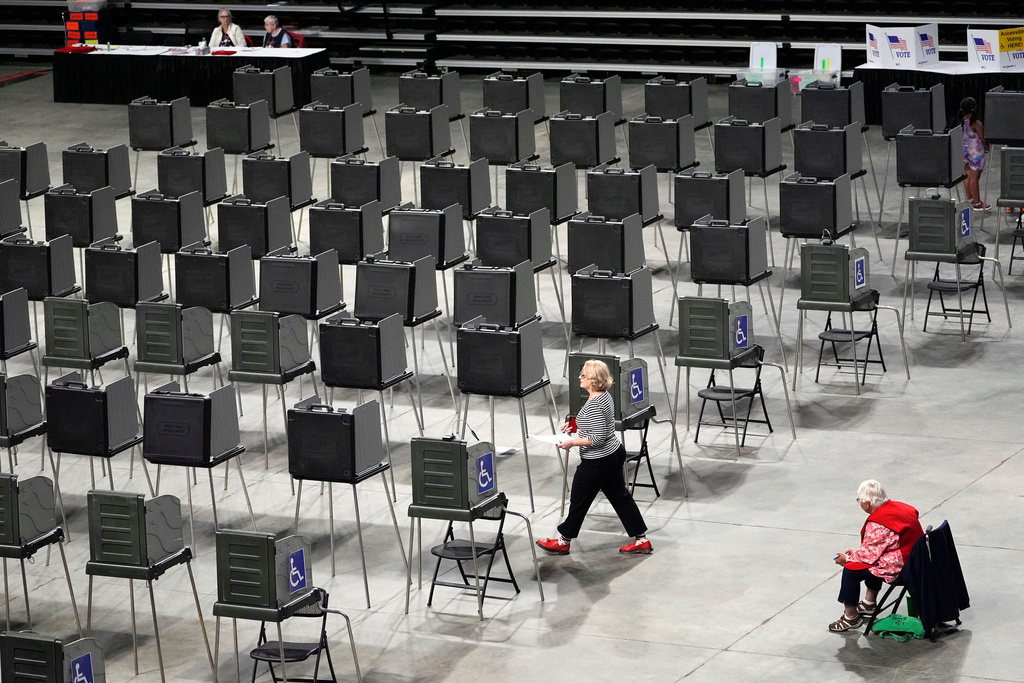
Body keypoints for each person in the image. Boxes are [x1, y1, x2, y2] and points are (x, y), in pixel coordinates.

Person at [537, 360, 652, 556]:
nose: (579, 378)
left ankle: (563, 541)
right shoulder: (603, 396)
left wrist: (571, 443)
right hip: (613, 453)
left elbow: (598, 438)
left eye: (583, 375)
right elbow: (602, 426)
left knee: (579, 499)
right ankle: (641, 539)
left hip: (598, 461)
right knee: (620, 496)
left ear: (593, 380)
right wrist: (574, 426)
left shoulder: (595, 405)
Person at [829, 479, 924, 632]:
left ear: (867, 503)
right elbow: (884, 543)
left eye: (859, 500)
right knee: (871, 561)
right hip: (916, 559)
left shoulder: (878, 523)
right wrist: (858, 553)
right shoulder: (904, 508)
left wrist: (847, 559)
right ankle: (869, 603)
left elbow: (868, 557)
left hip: (901, 568)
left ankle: (851, 617)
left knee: (850, 570)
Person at [959, 96, 991, 210]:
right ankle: (977, 203)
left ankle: (970, 200)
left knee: (967, 176)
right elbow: (982, 138)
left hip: (964, 151)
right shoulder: (976, 123)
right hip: (976, 153)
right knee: (974, 178)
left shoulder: (960, 121)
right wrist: (987, 146)